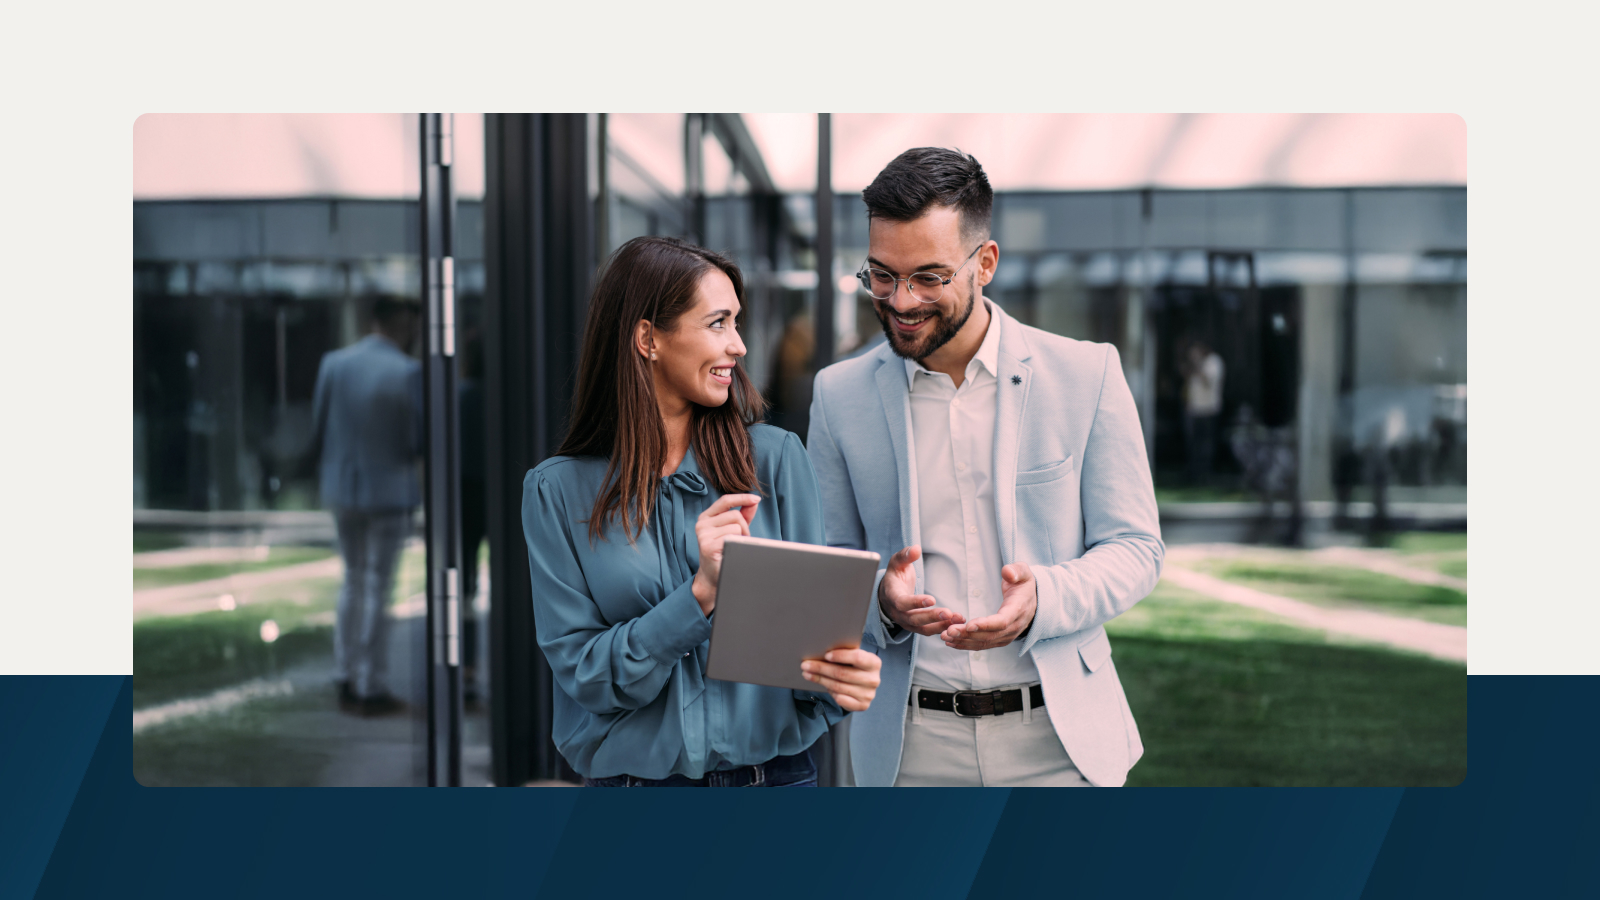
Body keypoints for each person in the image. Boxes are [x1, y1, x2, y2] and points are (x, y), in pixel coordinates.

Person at [807, 148, 1163, 787]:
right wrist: (880, 603)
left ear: (986, 263)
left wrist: (1043, 600)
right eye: (882, 276)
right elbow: (826, 560)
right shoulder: (838, 396)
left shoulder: (1087, 375)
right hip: (910, 749)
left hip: (1060, 743)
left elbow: (1136, 549)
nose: (902, 301)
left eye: (929, 277)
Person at [522, 236, 882, 787]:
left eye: (737, 323)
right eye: (718, 323)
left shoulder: (777, 459)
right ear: (648, 338)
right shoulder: (556, 492)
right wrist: (703, 593)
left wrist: (840, 681)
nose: (739, 346)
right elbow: (587, 679)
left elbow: (810, 657)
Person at [309, 294, 423, 717]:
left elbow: (319, 427)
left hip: (343, 488)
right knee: (377, 586)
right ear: (400, 323)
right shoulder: (408, 370)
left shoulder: (333, 364)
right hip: (389, 492)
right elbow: (417, 439)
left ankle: (344, 672)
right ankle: (369, 682)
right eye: (411, 324)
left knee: (352, 581)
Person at [1182, 339, 1225, 486]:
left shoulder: (1214, 362)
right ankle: (1194, 474)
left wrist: (1197, 363)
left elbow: (1207, 381)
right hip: (1194, 409)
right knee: (1193, 444)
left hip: (1208, 410)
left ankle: (1206, 474)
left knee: (1206, 444)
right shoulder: (1194, 365)